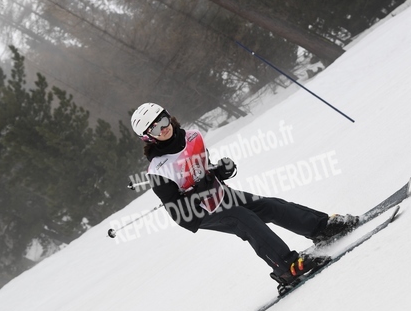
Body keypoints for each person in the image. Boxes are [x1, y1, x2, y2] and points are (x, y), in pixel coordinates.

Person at [129, 102, 358, 295]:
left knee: (269, 206)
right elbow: (181, 215)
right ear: (148, 137)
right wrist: (198, 192)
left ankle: (321, 227)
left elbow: (203, 169)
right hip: (200, 213)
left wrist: (221, 170)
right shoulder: (158, 171)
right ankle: (286, 268)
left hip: (220, 194)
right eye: (155, 128)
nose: (163, 128)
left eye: (163, 120)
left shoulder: (192, 137)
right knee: (243, 218)